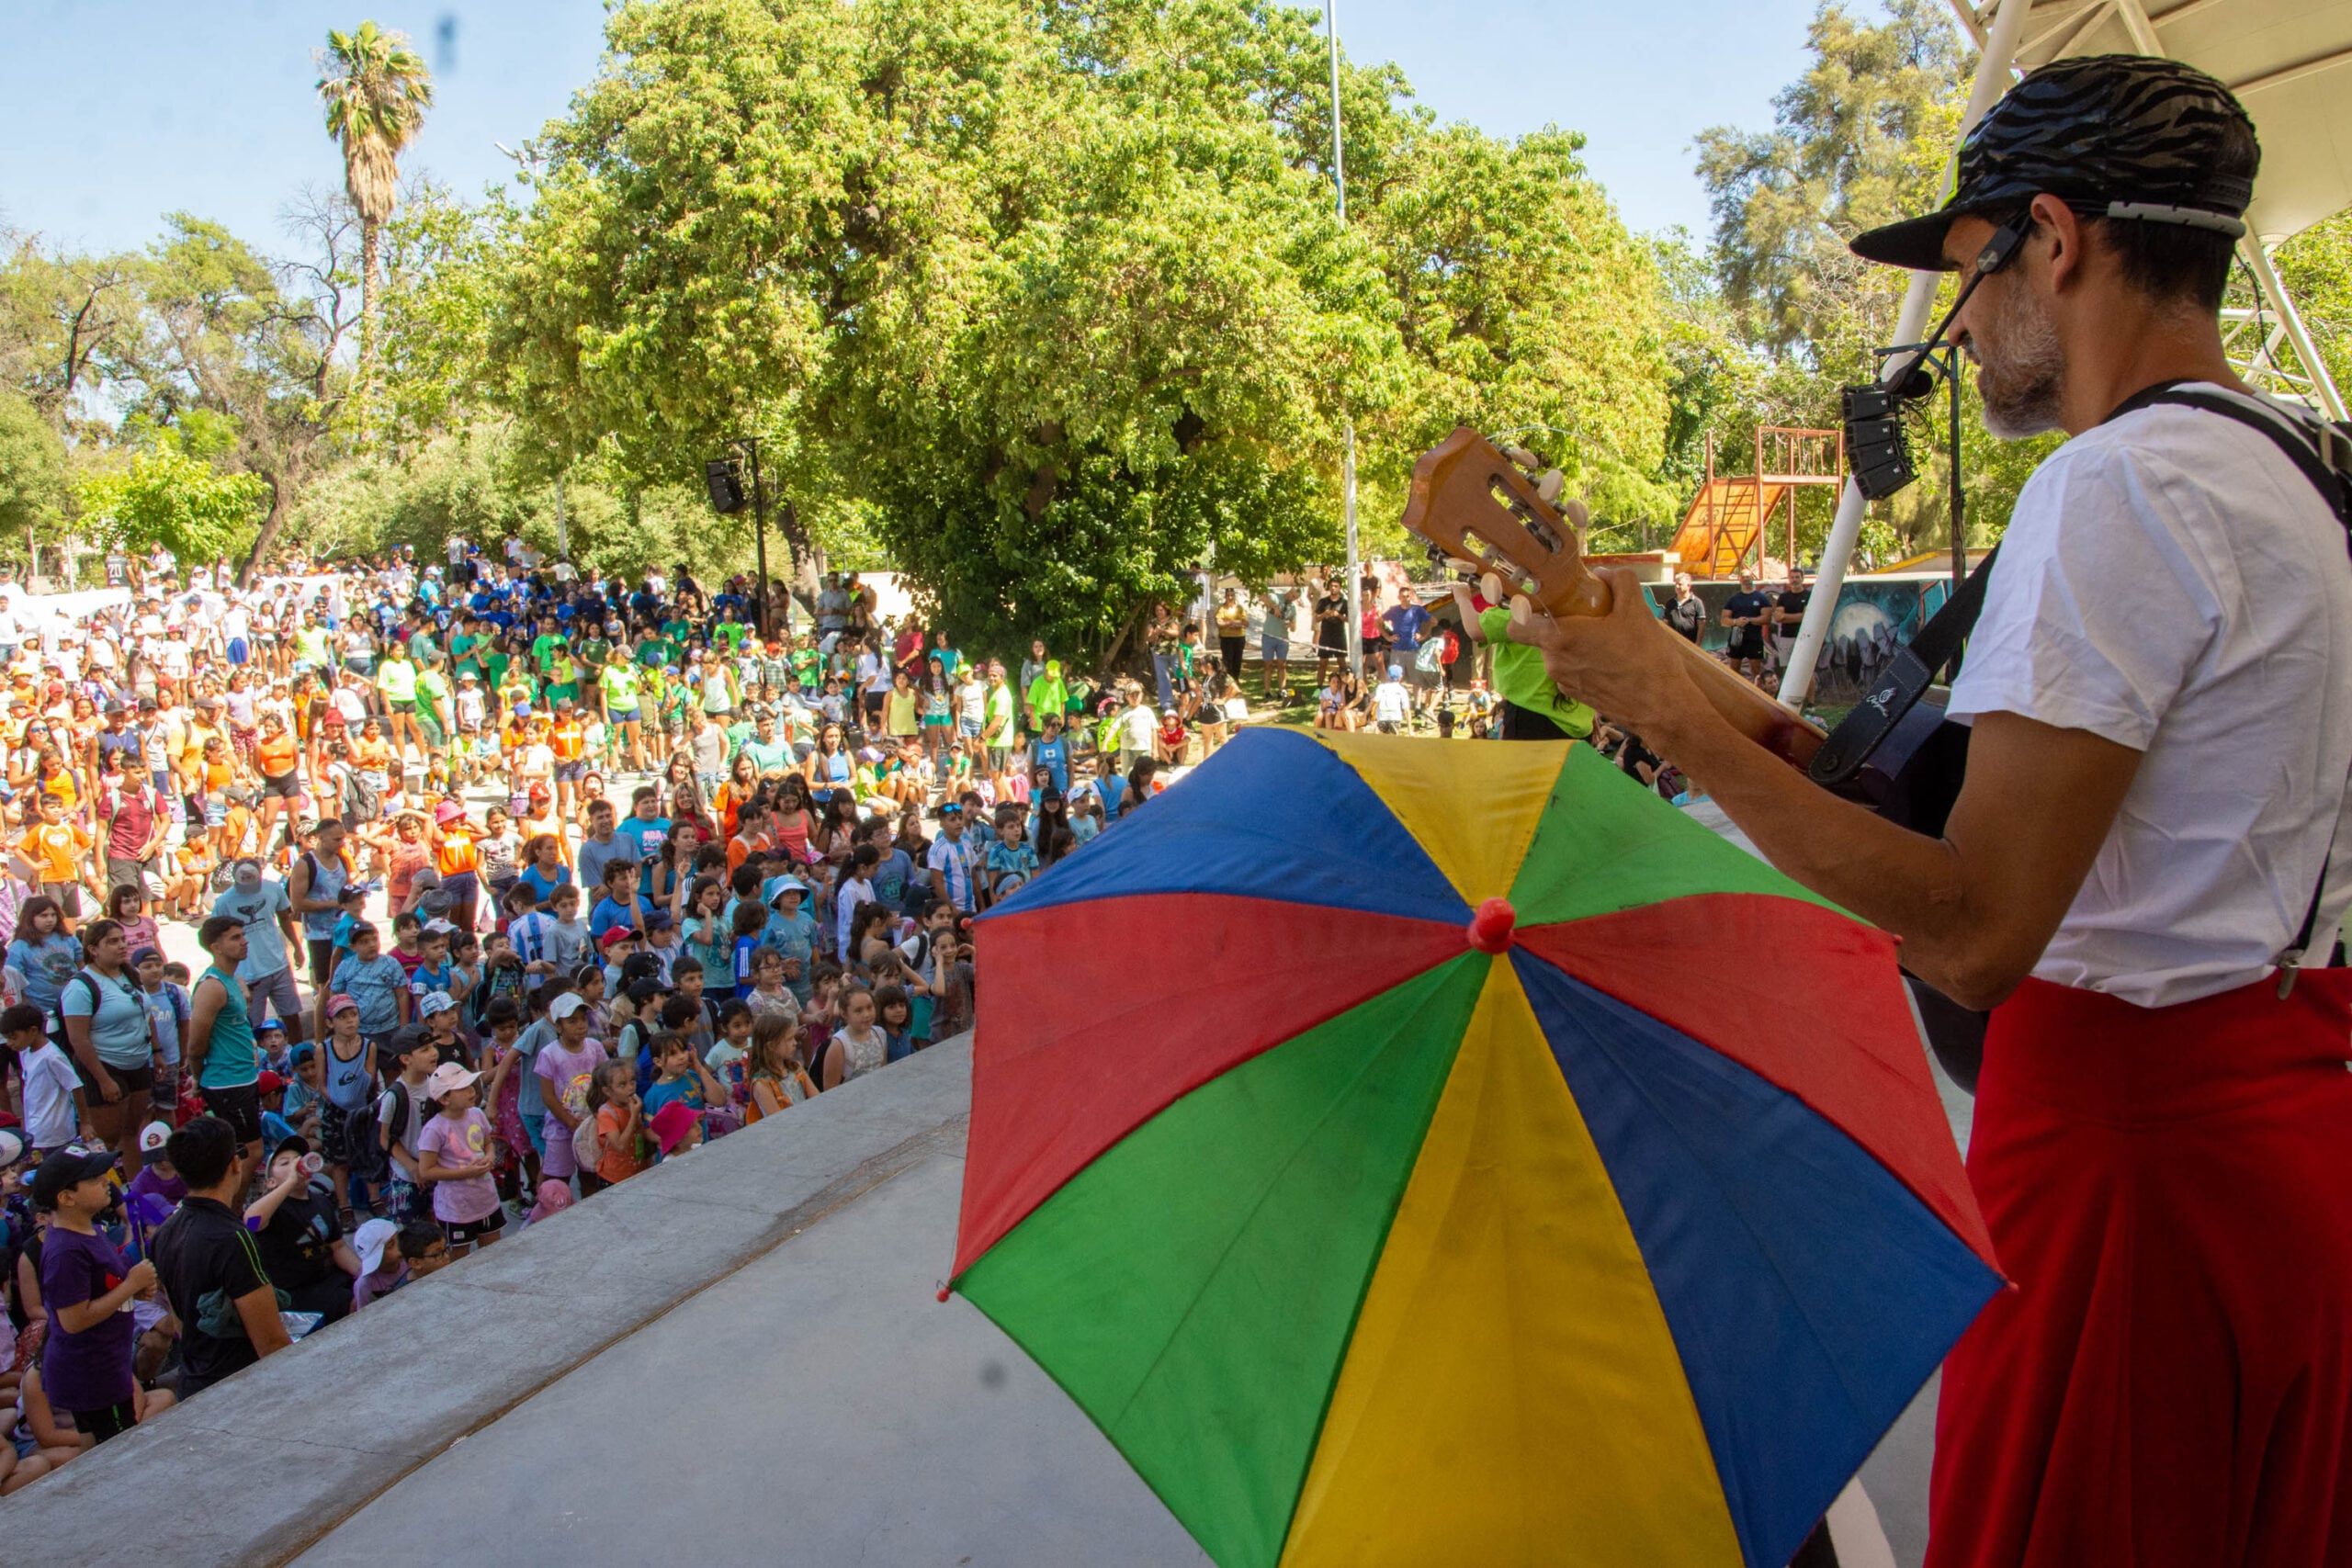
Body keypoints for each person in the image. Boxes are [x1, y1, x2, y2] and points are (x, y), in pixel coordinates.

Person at [1505, 56, 2352, 1568]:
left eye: (1970, 276)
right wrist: (1638, 642)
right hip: (2277, 1134)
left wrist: (1650, 715)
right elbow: (1873, 794)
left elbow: (1969, 928)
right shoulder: (2288, 465)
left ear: (2056, 238)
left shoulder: (2120, 491)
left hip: (2131, 1183)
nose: (1961, 332)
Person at [31, 1145, 172, 1444]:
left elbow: (104, 1290)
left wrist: (136, 1294)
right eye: (94, 1179)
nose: (107, 1181)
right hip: (91, 1374)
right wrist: (130, 1286)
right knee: (118, 1450)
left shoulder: (90, 1229)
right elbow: (73, 1320)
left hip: (108, 1363)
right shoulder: (65, 1252)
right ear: (66, 1197)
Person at [150, 1115, 293, 1398]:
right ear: (235, 1165)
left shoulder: (163, 1235)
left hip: (195, 1385)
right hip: (241, 1390)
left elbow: (180, 1324)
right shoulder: (234, 1238)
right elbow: (272, 1343)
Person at [243, 1136, 361, 1323]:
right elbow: (251, 1223)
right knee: (348, 1303)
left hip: (330, 1279)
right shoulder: (274, 1210)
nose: (296, 1164)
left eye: (299, 1158)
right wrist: (290, 1181)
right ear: (271, 1182)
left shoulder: (321, 1201)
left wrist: (363, 1273)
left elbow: (337, 1247)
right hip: (297, 1293)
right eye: (285, 1163)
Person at [185, 914, 264, 1181]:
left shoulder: (232, 978)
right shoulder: (212, 987)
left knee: (244, 1150)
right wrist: (197, 1076)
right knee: (250, 1153)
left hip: (243, 1075)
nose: (244, 942)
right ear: (215, 946)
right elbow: (195, 1045)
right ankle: (232, 1210)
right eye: (235, 938)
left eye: (242, 935)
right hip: (227, 1081)